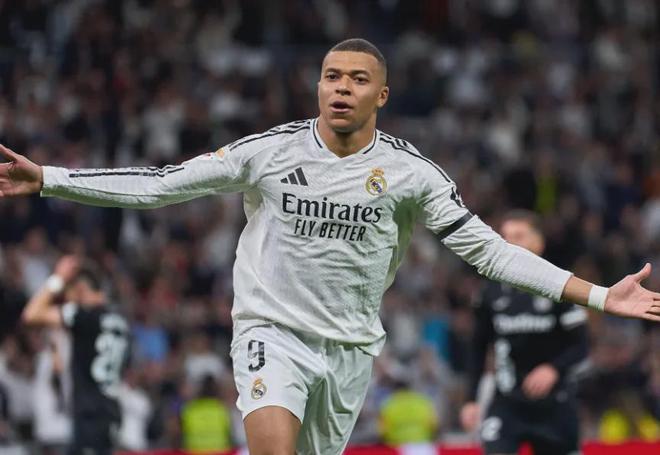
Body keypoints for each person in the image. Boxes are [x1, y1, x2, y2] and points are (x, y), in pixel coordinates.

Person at [1, 38, 659, 455]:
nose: (341, 87)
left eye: (357, 79)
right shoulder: (269, 152)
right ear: (318, 86)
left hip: (348, 348)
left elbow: (490, 252)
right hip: (271, 331)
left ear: (382, 94)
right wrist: (49, 178)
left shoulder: (411, 173)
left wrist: (601, 295)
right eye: (331, 76)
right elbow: (161, 184)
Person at [460, 210, 589, 455]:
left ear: (538, 242)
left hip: (555, 405)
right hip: (507, 403)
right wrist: (471, 400)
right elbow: (478, 347)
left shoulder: (561, 286)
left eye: (519, 236)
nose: (509, 243)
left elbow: (581, 346)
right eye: (505, 237)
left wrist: (553, 369)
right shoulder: (490, 293)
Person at [21, 256, 129, 455]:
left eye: (68, 293)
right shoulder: (120, 321)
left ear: (80, 289)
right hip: (111, 413)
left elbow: (31, 314)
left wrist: (58, 279)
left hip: (90, 415)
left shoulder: (83, 316)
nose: (67, 300)